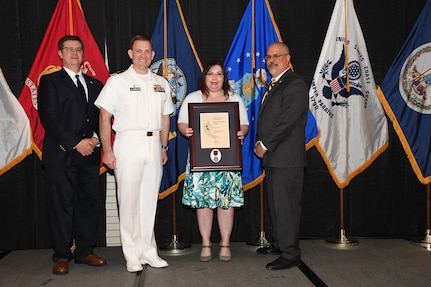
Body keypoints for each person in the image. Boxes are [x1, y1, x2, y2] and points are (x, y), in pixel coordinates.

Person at [95, 35, 173, 273]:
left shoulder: (161, 82)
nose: (143, 55)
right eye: (138, 51)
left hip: (153, 144)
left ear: (152, 54)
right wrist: (107, 151)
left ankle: (149, 251)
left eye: (147, 51)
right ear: (130, 54)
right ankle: (131, 254)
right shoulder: (117, 82)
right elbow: (104, 117)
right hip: (127, 143)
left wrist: (163, 147)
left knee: (149, 201)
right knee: (128, 202)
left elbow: (165, 117)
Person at [38, 35, 106, 275]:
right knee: (61, 207)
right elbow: (50, 118)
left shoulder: (96, 84)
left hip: (89, 154)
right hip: (61, 155)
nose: (74, 53)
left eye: (78, 49)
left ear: (83, 53)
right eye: (69, 49)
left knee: (88, 204)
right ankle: (62, 255)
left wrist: (97, 140)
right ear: (60, 54)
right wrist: (76, 143)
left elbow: (101, 118)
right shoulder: (49, 81)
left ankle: (85, 250)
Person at [178, 60, 249, 262]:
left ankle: (225, 243)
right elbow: (182, 122)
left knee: (226, 202)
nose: (215, 78)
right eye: (211, 74)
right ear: (204, 77)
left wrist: (240, 132)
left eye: (219, 74)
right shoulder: (193, 98)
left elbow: (244, 124)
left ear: (224, 78)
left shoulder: (235, 99)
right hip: (201, 159)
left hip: (228, 158)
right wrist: (186, 130)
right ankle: (206, 243)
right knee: (203, 202)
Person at [254, 42, 308, 270]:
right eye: (268, 57)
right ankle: (279, 243)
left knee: (286, 206)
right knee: (276, 205)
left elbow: (287, 121)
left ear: (288, 58)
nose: (270, 60)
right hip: (276, 158)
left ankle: (290, 253)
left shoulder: (294, 84)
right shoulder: (276, 84)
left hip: (286, 158)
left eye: (276, 56)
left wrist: (265, 144)